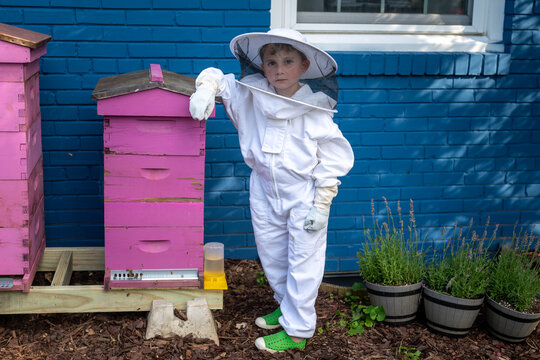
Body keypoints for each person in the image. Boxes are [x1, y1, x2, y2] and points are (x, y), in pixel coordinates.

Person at [189, 28, 354, 353]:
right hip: (263, 188)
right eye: (271, 61)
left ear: (304, 66)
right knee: (273, 255)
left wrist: (322, 203)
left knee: (304, 261)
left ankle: (298, 330)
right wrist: (206, 89)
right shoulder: (251, 94)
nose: (279, 69)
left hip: (303, 195)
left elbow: (335, 157)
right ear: (261, 66)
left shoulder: (315, 111)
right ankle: (286, 307)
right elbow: (218, 77)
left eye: (288, 61)